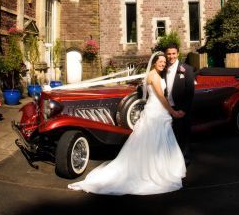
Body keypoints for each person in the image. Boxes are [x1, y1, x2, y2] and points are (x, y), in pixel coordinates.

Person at [68, 52, 186, 195]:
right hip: (156, 110)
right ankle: (156, 170)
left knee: (155, 140)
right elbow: (161, 97)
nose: (162, 64)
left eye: (164, 62)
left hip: (155, 109)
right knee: (155, 139)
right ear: (154, 62)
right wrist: (173, 112)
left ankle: (162, 166)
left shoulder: (154, 75)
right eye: (160, 61)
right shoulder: (154, 76)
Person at [164, 43, 195, 166]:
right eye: (169, 54)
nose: (171, 56)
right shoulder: (163, 69)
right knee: (171, 135)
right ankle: (172, 160)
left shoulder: (187, 69)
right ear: (166, 55)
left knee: (184, 135)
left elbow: (190, 92)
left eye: (173, 53)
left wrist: (184, 109)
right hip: (167, 108)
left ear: (177, 54)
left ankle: (185, 160)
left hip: (181, 109)